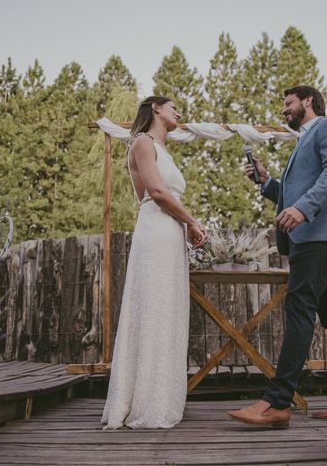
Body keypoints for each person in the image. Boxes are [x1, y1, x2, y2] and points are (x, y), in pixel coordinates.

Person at [228, 86, 327, 428]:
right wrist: (266, 181)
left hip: (320, 231)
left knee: (299, 306)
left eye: (288, 103)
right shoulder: (302, 141)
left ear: (308, 101)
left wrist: (303, 209)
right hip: (312, 233)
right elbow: (292, 193)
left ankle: (277, 402)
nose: (284, 109)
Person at [102, 96, 208, 429]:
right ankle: (144, 403)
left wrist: (182, 225)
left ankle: (160, 397)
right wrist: (191, 221)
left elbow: (156, 195)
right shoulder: (142, 143)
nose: (179, 111)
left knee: (168, 312)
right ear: (156, 109)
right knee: (152, 311)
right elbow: (156, 195)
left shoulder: (162, 150)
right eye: (173, 106)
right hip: (156, 233)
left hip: (168, 233)